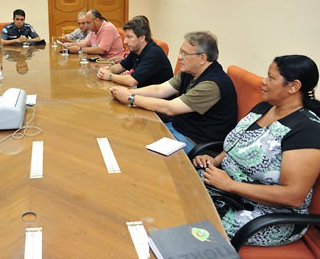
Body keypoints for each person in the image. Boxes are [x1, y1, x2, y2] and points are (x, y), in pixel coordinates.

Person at [193, 55, 320, 246]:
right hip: (226, 189)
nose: (263, 81)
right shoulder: (264, 107)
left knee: (193, 223)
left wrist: (230, 185)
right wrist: (213, 161)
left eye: (271, 78)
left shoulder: (307, 129)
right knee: (179, 189)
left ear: (293, 86)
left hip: (268, 215)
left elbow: (293, 196)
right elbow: (237, 145)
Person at [109, 31, 237, 153]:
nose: (179, 57)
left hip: (194, 140)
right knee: (131, 135)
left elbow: (170, 108)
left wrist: (130, 98)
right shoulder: (190, 72)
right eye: (180, 52)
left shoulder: (212, 84)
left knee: (141, 150)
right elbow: (160, 89)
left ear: (202, 58)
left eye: (184, 53)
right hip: (176, 127)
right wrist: (128, 92)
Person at [96, 17, 172, 88]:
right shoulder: (136, 49)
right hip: (143, 94)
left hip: (159, 99)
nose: (125, 41)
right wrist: (106, 70)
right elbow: (121, 67)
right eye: (125, 37)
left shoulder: (153, 53)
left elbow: (132, 81)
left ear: (142, 38)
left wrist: (110, 76)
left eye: (129, 37)